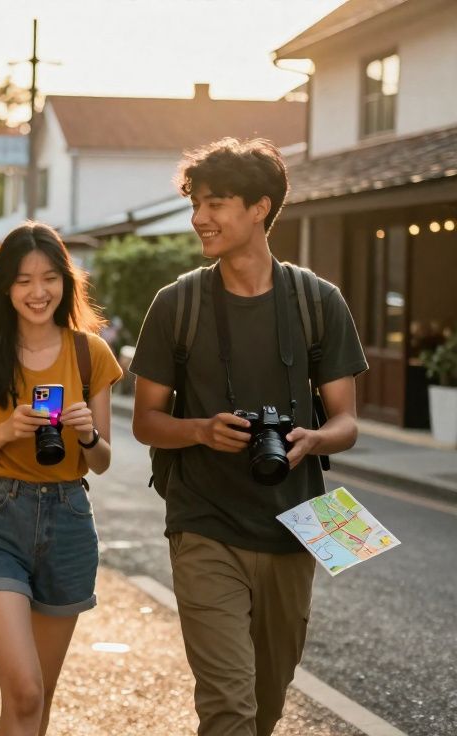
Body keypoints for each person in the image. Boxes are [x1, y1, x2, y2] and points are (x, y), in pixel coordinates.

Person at [130, 138, 367, 736]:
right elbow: (146, 420)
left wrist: (313, 440)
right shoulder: (176, 303)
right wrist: (202, 431)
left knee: (265, 704)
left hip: (299, 523)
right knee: (228, 707)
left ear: (260, 208)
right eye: (195, 204)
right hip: (204, 523)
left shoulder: (319, 301)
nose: (199, 218)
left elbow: (346, 421)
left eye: (216, 204)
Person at [0, 222, 120, 736]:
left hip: (69, 520)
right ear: (5, 286)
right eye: (24, 280)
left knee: (34, 702)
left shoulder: (91, 353)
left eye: (49, 278)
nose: (38, 292)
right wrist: (6, 430)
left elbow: (103, 462)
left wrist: (88, 435)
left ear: (66, 283)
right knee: (24, 688)